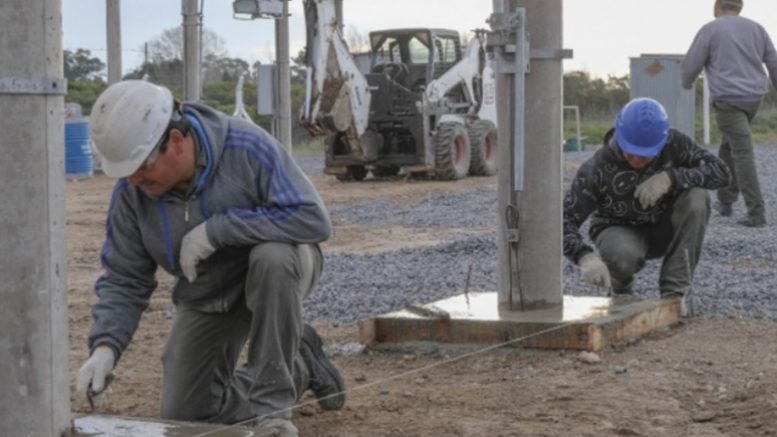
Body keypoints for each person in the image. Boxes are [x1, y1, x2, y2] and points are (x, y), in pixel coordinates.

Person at [75, 80, 344, 436]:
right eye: (127, 172)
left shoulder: (246, 147)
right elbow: (125, 277)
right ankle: (302, 365)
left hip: (276, 272)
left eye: (141, 167)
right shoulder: (132, 191)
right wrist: (106, 345)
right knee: (188, 413)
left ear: (175, 141)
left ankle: (273, 411)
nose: (135, 180)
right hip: (208, 292)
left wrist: (219, 231)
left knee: (272, 257)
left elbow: (312, 219)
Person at [564, 98, 731, 306]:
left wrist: (672, 178)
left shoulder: (675, 144)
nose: (637, 160)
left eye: (645, 155)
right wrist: (583, 257)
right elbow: (563, 220)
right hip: (620, 231)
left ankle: (675, 294)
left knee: (698, 196)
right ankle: (620, 288)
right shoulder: (596, 169)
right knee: (621, 256)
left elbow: (722, 173)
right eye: (631, 152)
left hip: (666, 227)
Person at [681, 0, 777, 227]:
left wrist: (686, 83)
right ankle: (725, 200)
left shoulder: (711, 29)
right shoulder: (757, 28)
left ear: (717, 7)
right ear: (740, 7)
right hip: (754, 99)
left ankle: (756, 211)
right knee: (729, 145)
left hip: (728, 99)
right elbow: (773, 62)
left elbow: (691, 65)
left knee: (742, 151)